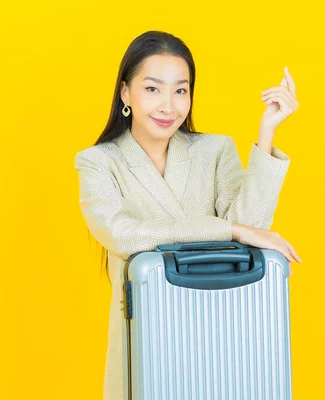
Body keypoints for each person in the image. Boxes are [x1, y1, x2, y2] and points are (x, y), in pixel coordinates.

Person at [74, 30, 302, 400]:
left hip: (228, 335)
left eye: (180, 90)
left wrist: (267, 132)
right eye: (152, 89)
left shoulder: (215, 150)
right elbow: (122, 235)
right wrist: (229, 229)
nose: (168, 106)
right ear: (125, 92)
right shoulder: (99, 163)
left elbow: (253, 229)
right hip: (147, 343)